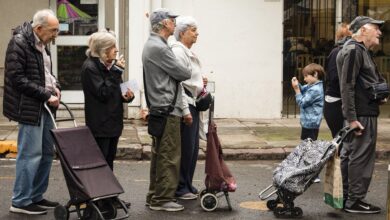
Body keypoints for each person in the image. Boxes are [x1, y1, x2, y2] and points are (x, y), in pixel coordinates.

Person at [3, 9, 61, 215]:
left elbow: (47, 74)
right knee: (30, 155)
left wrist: (56, 86)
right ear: (38, 28)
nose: (56, 34)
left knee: (46, 153)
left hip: (44, 107)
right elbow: (17, 78)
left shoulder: (42, 44)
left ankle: (36, 196)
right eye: (53, 30)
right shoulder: (19, 42)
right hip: (30, 108)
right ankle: (20, 201)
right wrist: (46, 95)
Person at [336, 16, 387, 214]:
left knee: (352, 155)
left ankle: (348, 198)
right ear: (363, 30)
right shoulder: (354, 50)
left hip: (361, 112)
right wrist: (351, 118)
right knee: (360, 157)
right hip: (361, 115)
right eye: (376, 28)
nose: (380, 32)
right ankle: (354, 201)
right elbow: (346, 86)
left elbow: (358, 84)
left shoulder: (358, 50)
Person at [142, 8, 191, 212]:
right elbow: (184, 72)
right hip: (167, 109)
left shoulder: (155, 45)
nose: (175, 22)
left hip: (161, 109)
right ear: (163, 24)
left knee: (160, 154)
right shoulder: (159, 47)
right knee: (169, 156)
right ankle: (162, 199)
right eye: (172, 20)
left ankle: (154, 195)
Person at [81, 30, 134, 171]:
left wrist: (127, 95)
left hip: (113, 123)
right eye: (112, 47)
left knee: (109, 159)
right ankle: (100, 191)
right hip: (100, 125)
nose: (116, 50)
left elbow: (116, 89)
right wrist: (116, 71)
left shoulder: (110, 64)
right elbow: (103, 93)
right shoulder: (90, 67)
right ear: (103, 50)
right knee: (101, 161)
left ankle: (108, 191)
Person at [171, 16, 207, 200]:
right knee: (186, 147)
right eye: (193, 30)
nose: (196, 33)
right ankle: (180, 187)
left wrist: (201, 81)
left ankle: (187, 183)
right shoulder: (178, 51)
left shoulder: (186, 51)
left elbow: (191, 79)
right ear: (183, 32)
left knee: (193, 148)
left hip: (193, 103)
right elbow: (179, 82)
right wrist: (185, 111)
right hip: (186, 104)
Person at [291, 63, 325, 183]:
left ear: (315, 75)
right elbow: (304, 88)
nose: (304, 79)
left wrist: (296, 90)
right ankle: (308, 171)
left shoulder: (315, 89)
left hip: (311, 123)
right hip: (309, 122)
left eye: (306, 76)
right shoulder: (313, 86)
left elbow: (302, 102)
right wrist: (298, 85)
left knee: (309, 148)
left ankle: (313, 174)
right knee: (307, 147)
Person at [324, 23, 352, 138]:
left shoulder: (349, 51)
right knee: (341, 140)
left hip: (341, 100)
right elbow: (335, 78)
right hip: (336, 102)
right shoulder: (337, 52)